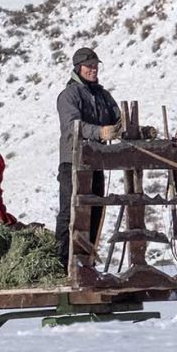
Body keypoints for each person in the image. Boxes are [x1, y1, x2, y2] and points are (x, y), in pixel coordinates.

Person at [55, 46, 120, 263]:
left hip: (95, 162)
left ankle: (86, 263)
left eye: (95, 66)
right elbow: (73, 126)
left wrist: (136, 130)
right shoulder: (68, 95)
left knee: (95, 212)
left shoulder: (103, 95)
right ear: (78, 68)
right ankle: (63, 264)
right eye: (89, 66)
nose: (94, 70)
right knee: (70, 213)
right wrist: (99, 131)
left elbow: (118, 120)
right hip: (72, 162)